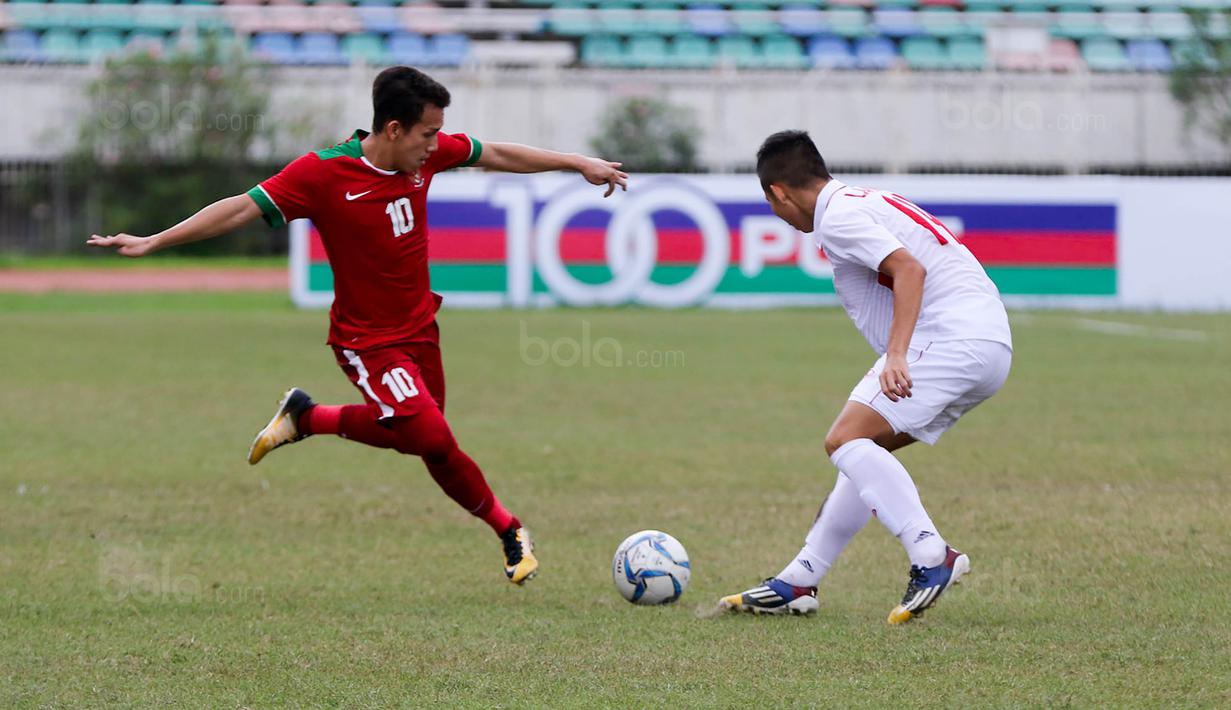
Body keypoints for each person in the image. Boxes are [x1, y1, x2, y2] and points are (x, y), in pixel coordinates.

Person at [87, 66, 629, 586]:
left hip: (421, 330)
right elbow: (239, 209)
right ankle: (510, 529)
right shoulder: (322, 174)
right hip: (367, 342)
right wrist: (156, 240)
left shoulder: (424, 155)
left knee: (423, 440)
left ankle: (307, 416)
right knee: (431, 434)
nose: (435, 145)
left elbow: (497, 153)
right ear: (393, 129)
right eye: (427, 133)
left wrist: (577, 162)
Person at [717, 131, 1012, 623]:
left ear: (779, 193)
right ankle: (800, 580)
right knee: (862, 454)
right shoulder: (859, 201)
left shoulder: (839, 217)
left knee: (844, 439)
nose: (777, 215)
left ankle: (931, 554)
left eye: (771, 204)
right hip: (986, 342)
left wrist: (897, 354)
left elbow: (909, 270)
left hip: (952, 337)